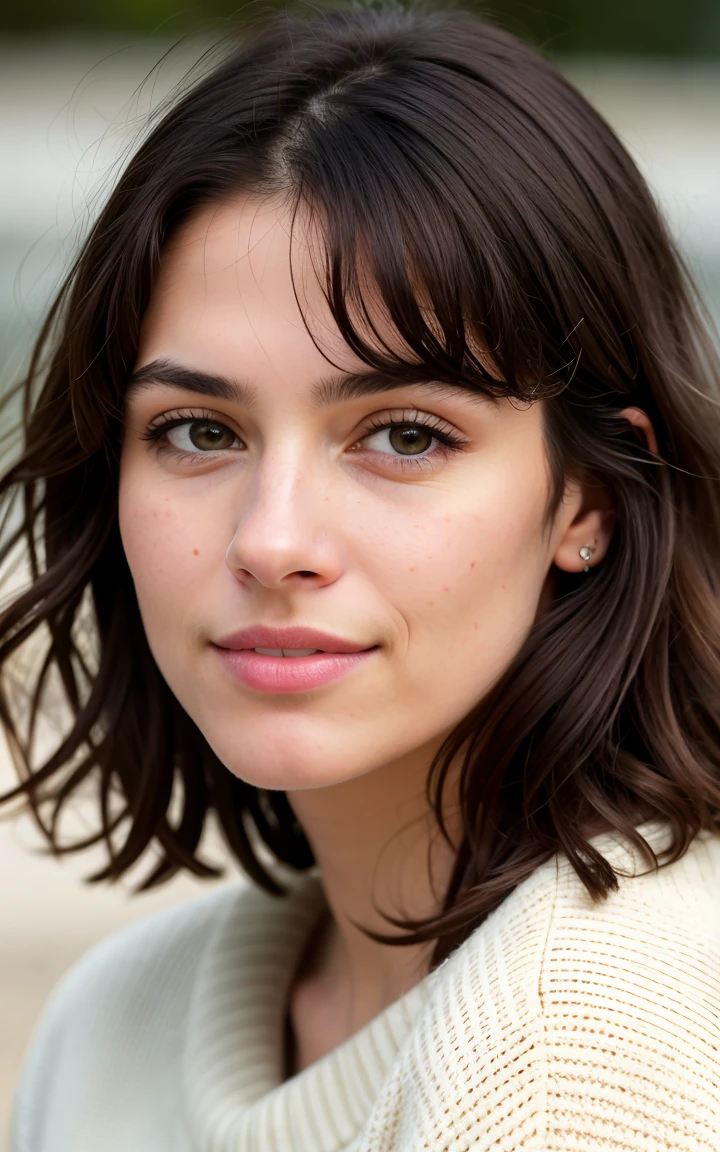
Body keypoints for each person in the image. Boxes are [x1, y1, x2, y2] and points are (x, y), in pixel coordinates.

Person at [3, 4, 720, 1149]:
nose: (273, 538)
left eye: (404, 436)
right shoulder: (112, 1028)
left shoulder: (571, 1059)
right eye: (197, 430)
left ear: (589, 500)